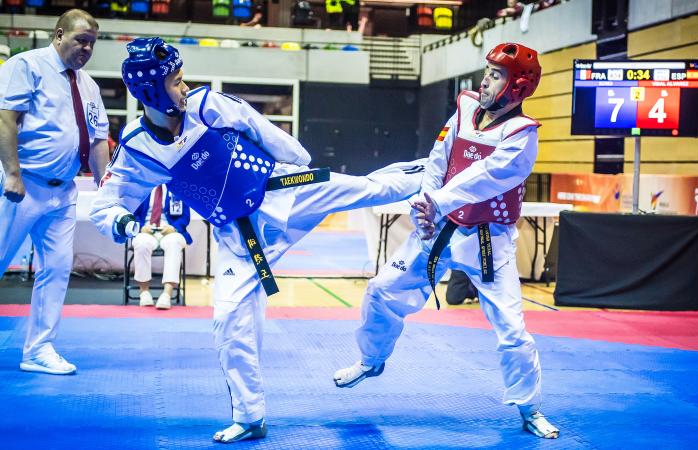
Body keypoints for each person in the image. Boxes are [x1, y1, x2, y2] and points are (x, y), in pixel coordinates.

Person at [89, 37, 424, 443]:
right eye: (176, 82)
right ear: (150, 92)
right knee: (229, 317)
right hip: (238, 235)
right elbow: (106, 203)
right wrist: (124, 223)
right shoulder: (138, 149)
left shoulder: (209, 106)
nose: (184, 86)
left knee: (371, 189)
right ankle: (250, 416)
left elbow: (261, 129)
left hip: (283, 188)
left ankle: (439, 173)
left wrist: (297, 160)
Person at [333, 42, 559, 439]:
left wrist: (435, 202)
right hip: (439, 228)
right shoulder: (466, 108)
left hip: (489, 241)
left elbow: (485, 177)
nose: (485, 80)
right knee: (381, 290)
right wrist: (425, 205)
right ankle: (371, 360)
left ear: (517, 87)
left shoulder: (522, 135)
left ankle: (529, 407)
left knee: (511, 328)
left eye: (496, 75)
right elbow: (439, 158)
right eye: (487, 71)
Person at [0, 9, 109, 376]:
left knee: (57, 270)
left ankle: (38, 349)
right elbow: (5, 118)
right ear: (59, 35)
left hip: (63, 193)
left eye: (92, 43)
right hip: (22, 185)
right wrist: (12, 173)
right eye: (81, 40)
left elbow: (97, 141)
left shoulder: (89, 86)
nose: (87, 48)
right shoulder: (25, 65)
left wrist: (105, 185)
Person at [131, 183, 192, 309]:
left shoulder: (177, 188)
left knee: (174, 243)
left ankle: (167, 294)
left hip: (170, 231)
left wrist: (174, 228)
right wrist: (140, 227)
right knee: (141, 243)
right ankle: (144, 292)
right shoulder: (142, 187)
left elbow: (185, 216)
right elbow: (133, 213)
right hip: (146, 230)